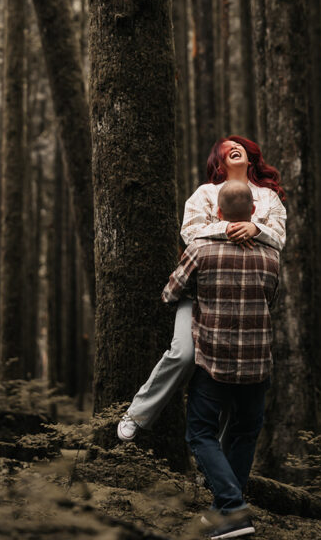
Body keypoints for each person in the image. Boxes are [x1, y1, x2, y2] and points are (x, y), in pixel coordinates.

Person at [117, 136, 286, 442]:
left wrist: (256, 228)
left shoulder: (269, 197)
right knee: (183, 355)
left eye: (240, 146)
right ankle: (138, 414)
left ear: (250, 159)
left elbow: (279, 237)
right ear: (218, 162)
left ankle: (212, 463)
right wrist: (233, 228)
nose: (233, 146)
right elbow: (191, 233)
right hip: (201, 292)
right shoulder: (204, 194)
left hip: (245, 298)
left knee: (226, 374)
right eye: (225, 147)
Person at [162, 179, 280, 540]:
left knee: (200, 434)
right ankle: (222, 513)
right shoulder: (272, 256)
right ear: (254, 212)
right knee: (245, 432)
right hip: (257, 363)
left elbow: (170, 293)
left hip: (214, 361)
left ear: (217, 213)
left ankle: (233, 508)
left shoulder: (200, 249)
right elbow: (271, 298)